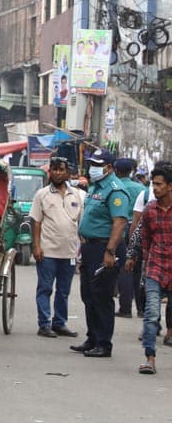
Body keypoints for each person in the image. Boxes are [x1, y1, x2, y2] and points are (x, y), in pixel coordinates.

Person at [71, 148, 131, 358]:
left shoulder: (115, 190)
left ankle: (104, 343)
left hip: (104, 247)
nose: (92, 169)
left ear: (108, 167)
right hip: (89, 247)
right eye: (92, 164)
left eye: (96, 165)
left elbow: (119, 222)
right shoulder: (97, 186)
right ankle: (92, 338)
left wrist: (110, 252)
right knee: (88, 294)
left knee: (102, 295)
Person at [30, 156, 83, 338]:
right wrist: (36, 246)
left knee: (64, 290)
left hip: (69, 251)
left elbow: (81, 224)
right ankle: (44, 324)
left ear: (68, 172)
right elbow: (35, 222)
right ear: (50, 172)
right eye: (55, 169)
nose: (58, 173)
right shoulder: (42, 194)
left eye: (61, 169)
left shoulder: (76, 194)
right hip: (48, 251)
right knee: (45, 288)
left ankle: (59, 323)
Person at [132, 166, 172, 374]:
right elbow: (144, 238)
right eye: (153, 184)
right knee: (152, 313)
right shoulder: (149, 210)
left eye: (159, 184)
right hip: (155, 267)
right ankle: (150, 357)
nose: (155, 188)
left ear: (170, 187)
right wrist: (136, 258)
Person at [114, 158, 146, 318]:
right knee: (138, 269)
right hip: (139, 230)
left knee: (124, 268)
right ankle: (141, 308)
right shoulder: (141, 188)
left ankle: (125, 307)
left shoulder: (115, 188)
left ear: (116, 171)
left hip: (122, 229)